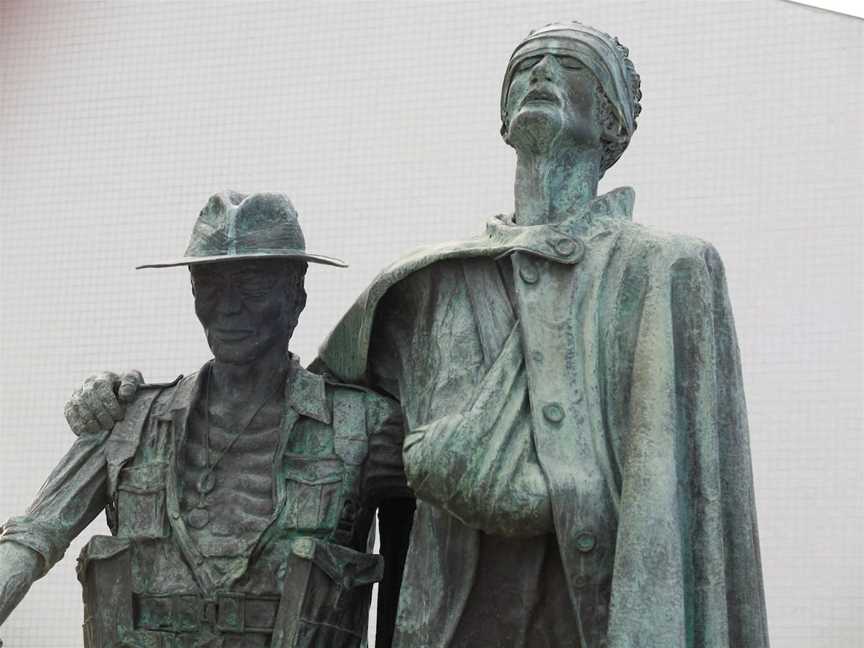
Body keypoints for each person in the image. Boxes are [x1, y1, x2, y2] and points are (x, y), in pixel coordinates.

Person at [61, 21, 770, 648]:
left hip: (593, 604)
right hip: (454, 613)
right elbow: (299, 416)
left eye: (570, 67)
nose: (542, 74)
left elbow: (684, 493)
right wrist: (125, 399)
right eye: (526, 66)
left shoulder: (667, 268)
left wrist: (548, 490)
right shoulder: (425, 286)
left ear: (614, 125)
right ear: (501, 119)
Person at [0, 191, 412, 648]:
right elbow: (30, 540)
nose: (228, 306)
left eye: (252, 284)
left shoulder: (367, 426)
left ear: (296, 295)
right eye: (209, 284)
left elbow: (457, 555)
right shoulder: (129, 421)